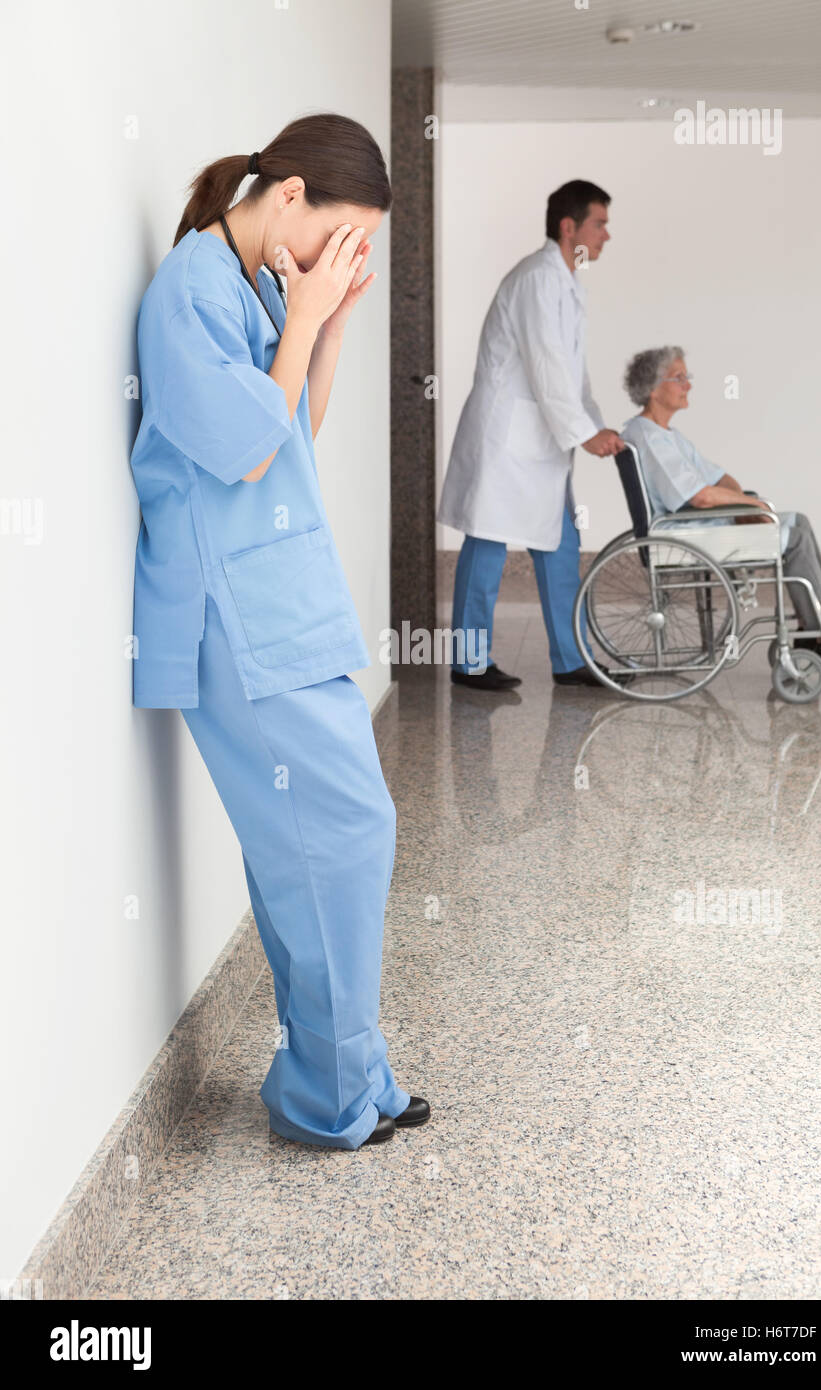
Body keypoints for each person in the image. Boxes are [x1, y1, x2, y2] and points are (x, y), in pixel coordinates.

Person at [129, 114, 430, 1150]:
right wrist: (303, 315)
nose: (330, 263)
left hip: (280, 604)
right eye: (335, 239)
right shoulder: (189, 291)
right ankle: (326, 1094)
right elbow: (245, 454)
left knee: (316, 849)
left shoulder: (255, 285)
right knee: (341, 839)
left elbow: (291, 425)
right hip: (233, 616)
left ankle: (346, 1074)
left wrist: (328, 318)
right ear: (290, 195)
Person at [437, 180, 626, 691]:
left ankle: (571, 659)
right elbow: (547, 367)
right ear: (570, 227)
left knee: (561, 543)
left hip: (541, 443)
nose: (607, 235)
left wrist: (595, 425)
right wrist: (584, 433)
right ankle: (469, 662)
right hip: (507, 442)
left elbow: (572, 374)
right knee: (488, 543)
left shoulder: (565, 282)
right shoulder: (539, 279)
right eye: (600, 224)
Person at [621, 347, 821, 663]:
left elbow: (719, 479)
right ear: (653, 389)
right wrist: (750, 506)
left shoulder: (667, 434)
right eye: (679, 378)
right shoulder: (649, 438)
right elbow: (699, 496)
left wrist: (745, 509)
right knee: (794, 538)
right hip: (681, 534)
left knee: (798, 522)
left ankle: (816, 628)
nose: (688, 385)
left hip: (704, 524)